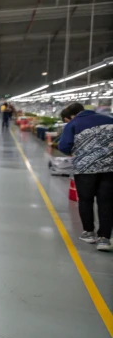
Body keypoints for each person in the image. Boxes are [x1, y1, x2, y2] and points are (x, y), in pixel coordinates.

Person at [58, 103, 113, 251]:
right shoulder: (109, 119)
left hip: (85, 168)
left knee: (86, 200)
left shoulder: (73, 124)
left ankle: (89, 233)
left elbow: (63, 146)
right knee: (106, 202)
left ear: (70, 116)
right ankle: (104, 239)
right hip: (109, 168)